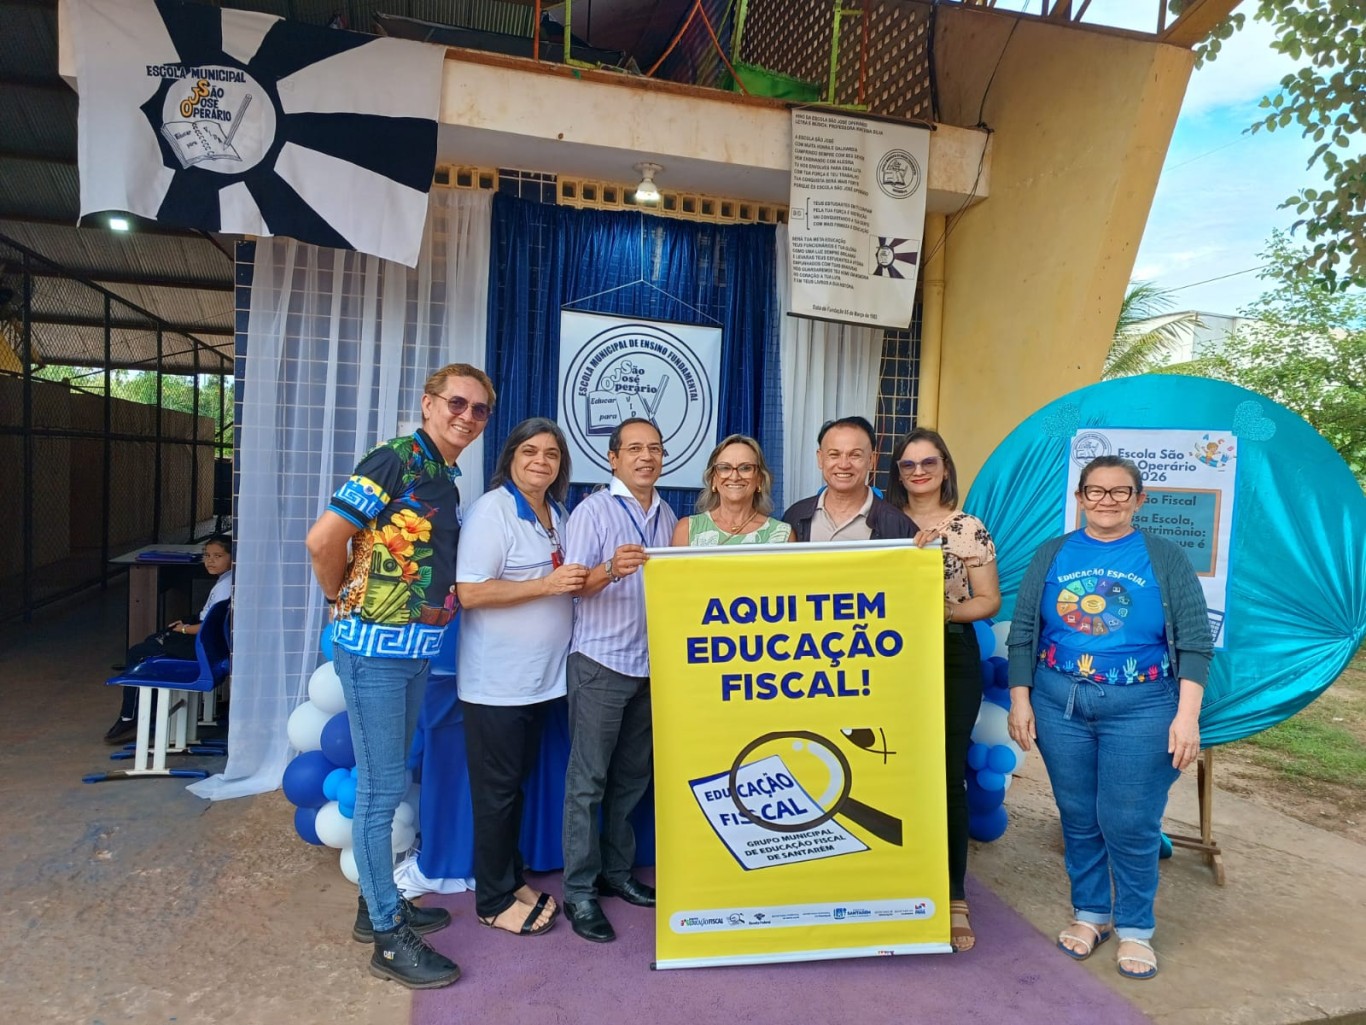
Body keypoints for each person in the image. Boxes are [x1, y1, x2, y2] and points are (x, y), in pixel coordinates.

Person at [305, 362, 494, 989]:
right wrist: (340, 598)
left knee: (388, 780)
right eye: (457, 404)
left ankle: (375, 905)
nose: (467, 417)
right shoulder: (394, 459)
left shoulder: (442, 474)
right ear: (429, 403)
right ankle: (388, 937)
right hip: (375, 650)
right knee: (382, 790)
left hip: (412, 649)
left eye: (479, 410)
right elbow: (324, 538)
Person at [1006, 455, 1211, 981]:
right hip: (1059, 705)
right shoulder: (1052, 553)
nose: (1107, 501)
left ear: (1140, 500)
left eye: (1121, 492)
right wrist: (1022, 699)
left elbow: (1194, 641)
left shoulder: (1164, 557)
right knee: (1077, 814)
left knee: (1129, 819)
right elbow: (1025, 631)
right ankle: (1092, 913)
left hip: (1142, 708)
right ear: (1079, 498)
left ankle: (1136, 927)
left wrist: (1186, 717)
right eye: (1095, 491)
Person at [455, 418, 587, 937]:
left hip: (542, 683)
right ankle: (491, 899)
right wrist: (546, 584)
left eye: (551, 454)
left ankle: (511, 882)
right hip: (498, 686)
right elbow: (471, 593)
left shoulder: (556, 512)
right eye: (530, 451)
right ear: (511, 456)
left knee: (514, 790)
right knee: (497, 795)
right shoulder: (493, 511)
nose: (540, 461)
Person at [560, 417, 678, 943]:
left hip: (651, 667)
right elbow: (572, 586)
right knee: (588, 782)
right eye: (634, 448)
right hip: (601, 663)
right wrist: (611, 569)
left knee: (632, 781)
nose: (646, 457)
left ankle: (616, 874)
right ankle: (580, 893)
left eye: (654, 448)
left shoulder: (669, 513)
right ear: (613, 458)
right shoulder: (593, 511)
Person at [887, 428, 1000, 952]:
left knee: (947, 774)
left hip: (950, 654)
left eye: (928, 462)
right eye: (908, 465)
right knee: (888, 771)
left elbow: (989, 600)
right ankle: (891, 885)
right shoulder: (880, 523)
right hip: (885, 659)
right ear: (898, 473)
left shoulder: (968, 527)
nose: (918, 472)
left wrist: (947, 611)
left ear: (946, 467)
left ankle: (952, 894)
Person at [103, 534, 234, 744]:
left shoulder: (224, 587)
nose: (210, 560)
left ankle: (130, 716)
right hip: (209, 645)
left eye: (218, 556)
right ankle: (148, 708)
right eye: (206, 555)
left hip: (202, 646)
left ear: (232, 558)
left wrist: (184, 630)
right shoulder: (228, 581)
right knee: (154, 639)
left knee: (137, 653)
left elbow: (207, 627)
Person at [782, 415, 916, 542]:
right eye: (834, 455)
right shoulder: (794, 517)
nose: (844, 465)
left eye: (855, 455)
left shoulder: (898, 526)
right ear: (820, 459)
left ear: (871, 460)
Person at [670, 434, 792, 547]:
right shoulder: (686, 530)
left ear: (759, 479)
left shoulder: (783, 535)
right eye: (725, 468)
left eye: (745, 468)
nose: (734, 477)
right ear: (713, 480)